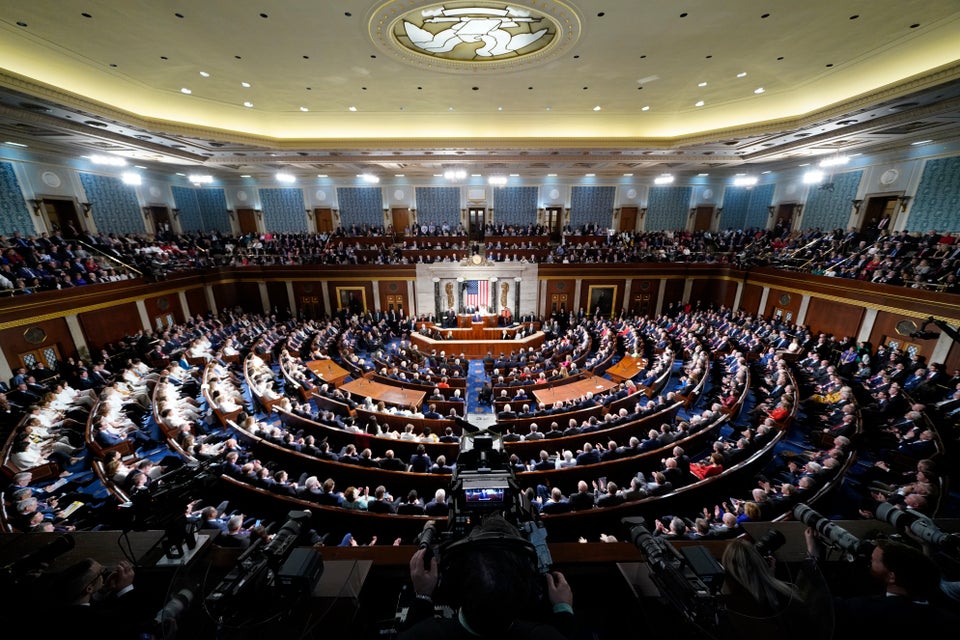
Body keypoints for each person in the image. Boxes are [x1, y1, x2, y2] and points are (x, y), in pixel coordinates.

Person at [399, 515, 577, 639]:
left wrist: (422, 596)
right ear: (528, 593)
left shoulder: (422, 635)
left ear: (452, 586)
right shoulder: (546, 636)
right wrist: (563, 611)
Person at [717, 538, 832, 639]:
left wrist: (769, 577)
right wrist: (812, 554)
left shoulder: (727, 607)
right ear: (760, 563)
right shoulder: (785, 595)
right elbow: (811, 614)